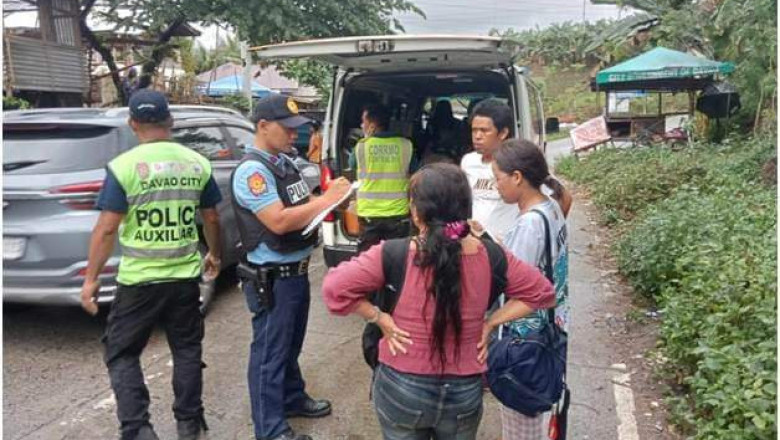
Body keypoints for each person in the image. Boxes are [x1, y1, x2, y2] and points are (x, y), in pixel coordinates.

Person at [322, 163, 555, 440]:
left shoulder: (393, 253)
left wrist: (378, 316)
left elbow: (334, 289)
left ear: (417, 212)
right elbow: (542, 293)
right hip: (464, 390)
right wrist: (490, 323)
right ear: (465, 210)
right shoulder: (491, 255)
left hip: (402, 386)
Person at [80, 90, 222, 440]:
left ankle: (138, 429)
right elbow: (211, 218)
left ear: (133, 124)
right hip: (184, 278)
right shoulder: (196, 163)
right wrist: (215, 255)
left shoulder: (124, 167)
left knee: (122, 353)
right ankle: (189, 424)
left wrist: (91, 280)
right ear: (170, 121)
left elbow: (107, 227)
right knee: (187, 349)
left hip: (139, 282)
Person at [230, 94, 351, 440]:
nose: (294, 135)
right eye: (287, 129)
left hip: (294, 273)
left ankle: (292, 397)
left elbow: (303, 204)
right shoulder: (253, 171)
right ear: (263, 127)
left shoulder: (284, 163)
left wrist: (332, 196)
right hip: (273, 279)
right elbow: (279, 221)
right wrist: (325, 200)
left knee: (290, 345)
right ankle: (270, 429)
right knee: (269, 353)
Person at [491, 139, 571, 439]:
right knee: (539, 418)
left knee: (521, 428)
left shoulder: (528, 225)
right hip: (554, 329)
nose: (496, 186)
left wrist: (490, 324)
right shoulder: (550, 205)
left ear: (517, 177)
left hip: (526, 340)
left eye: (498, 178)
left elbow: (518, 287)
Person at [462, 99, 571, 243]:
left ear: (503, 133)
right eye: (474, 130)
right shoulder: (469, 162)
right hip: (482, 247)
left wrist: (545, 239)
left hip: (511, 250)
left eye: (484, 131)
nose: (477, 136)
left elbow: (564, 198)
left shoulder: (518, 162)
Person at [354, 104, 415, 252]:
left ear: (372, 125)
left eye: (364, 122)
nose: (362, 125)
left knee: (368, 262)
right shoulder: (406, 145)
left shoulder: (361, 146)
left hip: (369, 214)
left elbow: (351, 164)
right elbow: (414, 173)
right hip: (398, 213)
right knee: (397, 259)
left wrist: (367, 139)